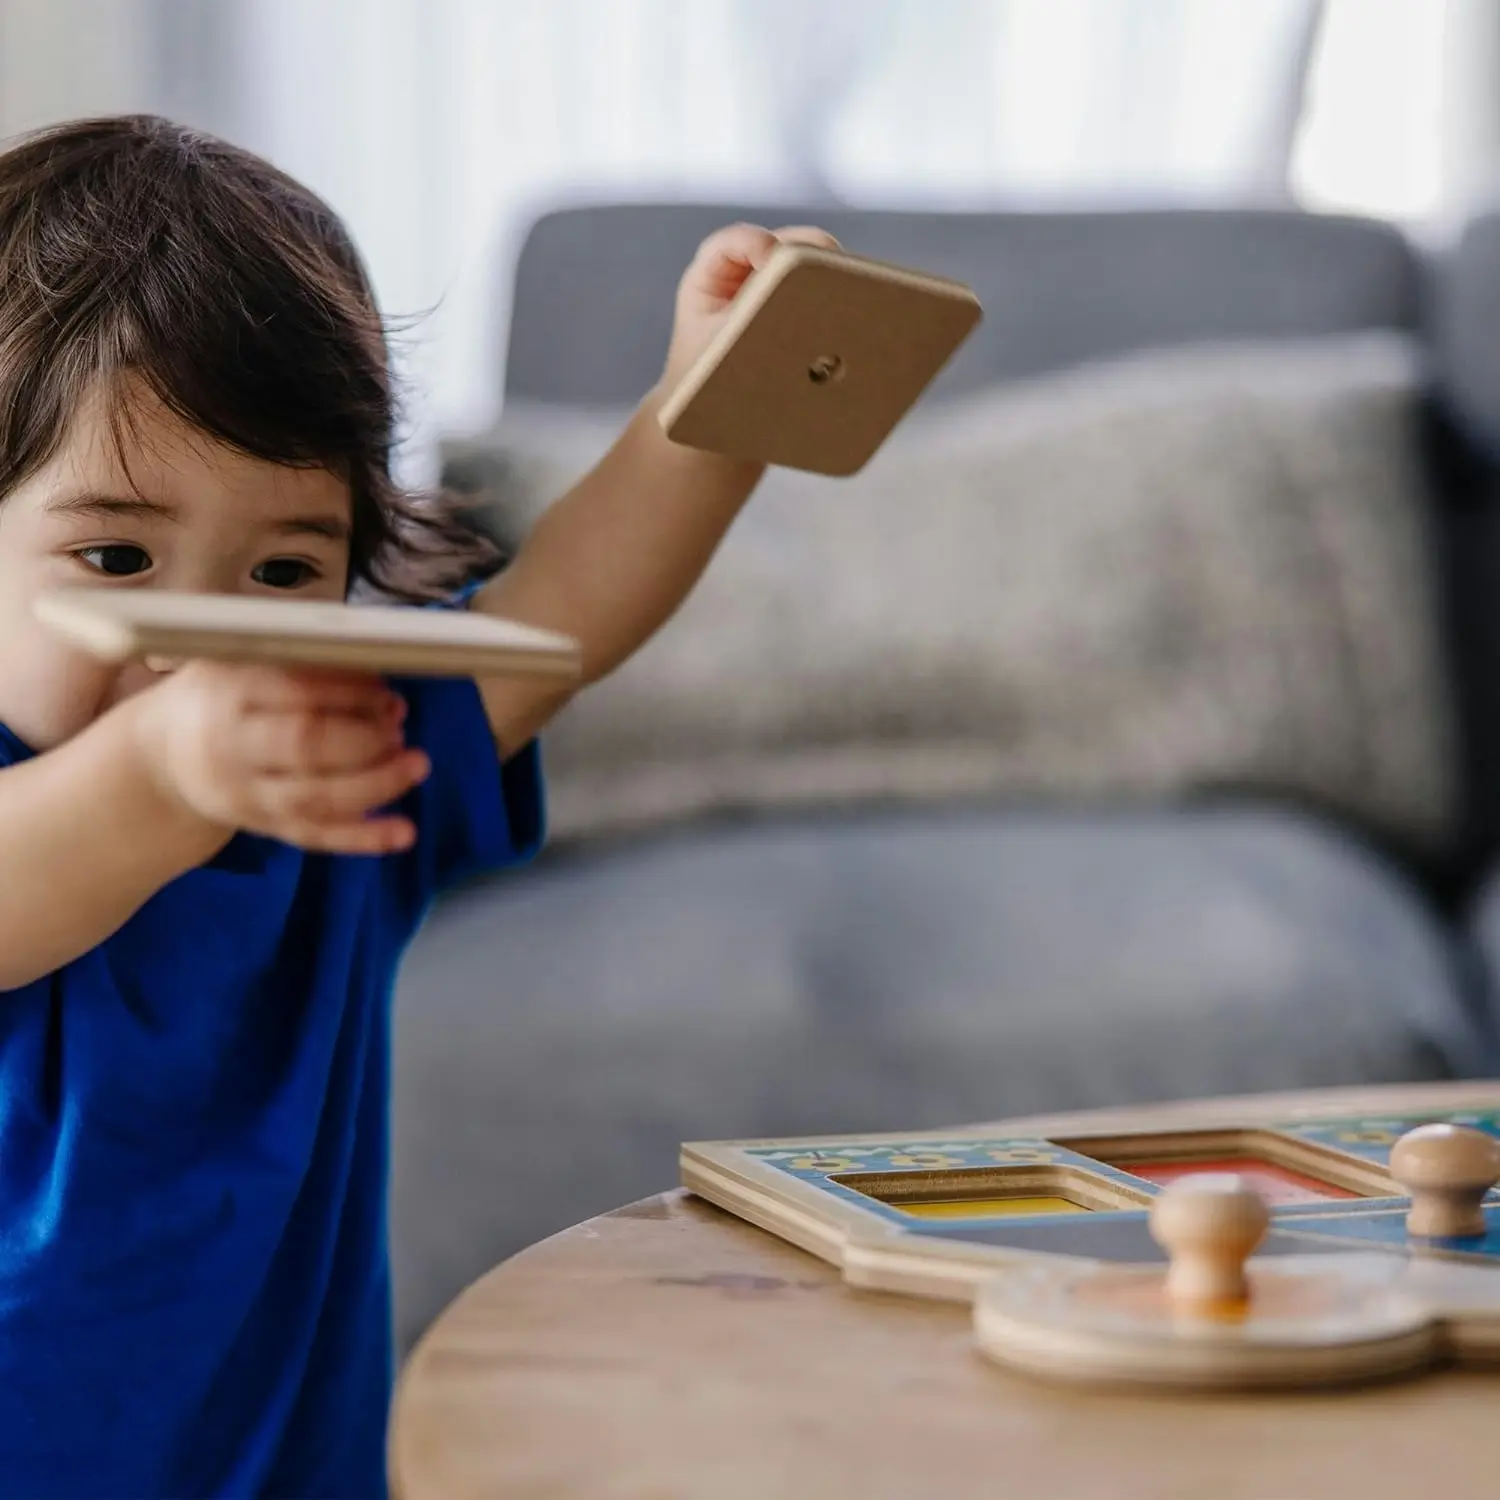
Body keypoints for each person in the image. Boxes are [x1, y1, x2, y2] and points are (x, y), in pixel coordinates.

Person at [0, 113, 834, 1496]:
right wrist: (160, 775)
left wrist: (714, 411)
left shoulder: (327, 770)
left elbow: (560, 620)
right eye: (119, 554)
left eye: (281, 574)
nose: (203, 635)